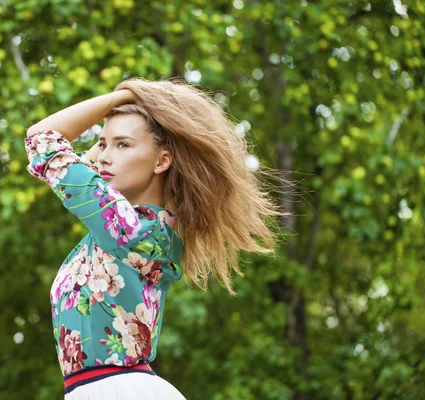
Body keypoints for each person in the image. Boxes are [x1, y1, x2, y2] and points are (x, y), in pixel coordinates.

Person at [23, 77, 285, 399]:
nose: (104, 156)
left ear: (162, 161)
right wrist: (122, 120)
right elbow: (56, 163)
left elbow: (43, 141)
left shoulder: (129, 230)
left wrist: (126, 95)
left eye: (123, 144)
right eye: (102, 144)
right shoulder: (129, 228)